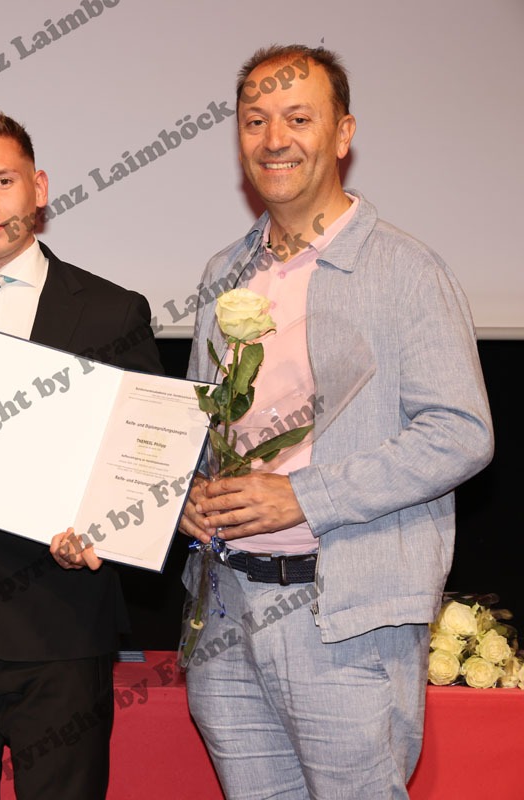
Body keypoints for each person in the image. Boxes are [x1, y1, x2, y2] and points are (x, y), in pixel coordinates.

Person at [177, 45, 493, 799]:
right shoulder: (225, 272)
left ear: (343, 134)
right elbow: (198, 419)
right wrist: (185, 492)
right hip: (226, 610)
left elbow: (461, 431)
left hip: (344, 617)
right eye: (255, 121)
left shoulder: (405, 271)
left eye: (298, 118)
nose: (273, 139)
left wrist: (305, 496)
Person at [0, 109, 162, 799]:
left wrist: (103, 527)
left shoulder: (109, 311)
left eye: (3, 181)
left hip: (57, 617)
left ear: (38, 189)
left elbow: (142, 456)